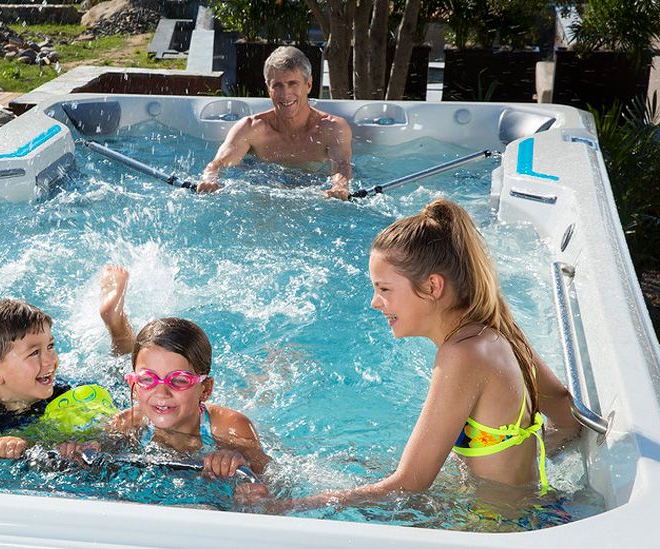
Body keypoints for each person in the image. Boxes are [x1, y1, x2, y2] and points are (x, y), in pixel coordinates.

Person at [284, 198, 580, 510]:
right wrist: (524, 476)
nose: (375, 302)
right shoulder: (496, 327)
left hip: (496, 533)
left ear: (432, 287)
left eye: (384, 289)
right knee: (351, 462)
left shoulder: (462, 355)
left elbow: (410, 483)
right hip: (529, 515)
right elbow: (564, 409)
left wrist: (295, 507)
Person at [95, 265, 270, 479]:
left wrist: (237, 460)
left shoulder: (230, 428)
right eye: (147, 379)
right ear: (133, 387)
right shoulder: (128, 425)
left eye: (178, 380)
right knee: (123, 363)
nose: (162, 392)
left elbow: (273, 481)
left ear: (205, 390)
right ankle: (116, 325)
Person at [0, 299, 115, 460]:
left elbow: (108, 441)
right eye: (34, 353)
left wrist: (31, 445)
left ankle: (115, 325)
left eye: (50, 346)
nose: (51, 360)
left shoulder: (70, 401)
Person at [196, 45, 353, 200]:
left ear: (309, 85)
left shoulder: (332, 128)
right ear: (268, 89)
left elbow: (341, 165)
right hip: (264, 196)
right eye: (277, 85)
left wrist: (340, 186)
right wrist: (209, 179)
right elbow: (218, 164)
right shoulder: (251, 128)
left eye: (293, 83)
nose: (285, 94)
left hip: (313, 192)